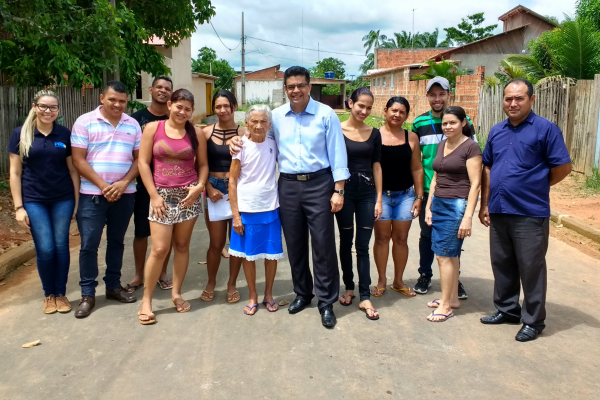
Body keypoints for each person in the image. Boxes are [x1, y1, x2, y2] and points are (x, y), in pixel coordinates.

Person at [231, 66, 348, 328]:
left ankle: (326, 301)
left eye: (300, 85)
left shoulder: (326, 115)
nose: (295, 90)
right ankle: (303, 293)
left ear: (309, 87)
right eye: (290, 86)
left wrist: (338, 189)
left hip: (319, 183)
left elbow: (338, 153)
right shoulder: (277, 116)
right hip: (288, 186)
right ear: (285, 89)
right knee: (294, 243)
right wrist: (236, 140)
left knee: (322, 243)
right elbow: (257, 136)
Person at [479, 79, 571, 341]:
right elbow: (488, 167)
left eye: (519, 98)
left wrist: (538, 184)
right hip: (499, 209)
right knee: (502, 263)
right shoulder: (497, 131)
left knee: (531, 267)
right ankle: (507, 309)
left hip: (530, 211)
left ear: (531, 100)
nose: (513, 103)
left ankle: (533, 320)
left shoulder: (546, 130)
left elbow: (563, 167)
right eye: (508, 98)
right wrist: (485, 204)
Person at [135, 89, 208, 324]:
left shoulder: (196, 133)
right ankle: (147, 300)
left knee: (182, 245)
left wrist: (200, 186)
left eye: (188, 108)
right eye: (179, 106)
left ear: (192, 111)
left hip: (188, 196)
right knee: (159, 248)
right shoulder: (152, 129)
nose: (182, 112)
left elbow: (204, 165)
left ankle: (176, 294)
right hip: (160, 196)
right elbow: (143, 164)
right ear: (169, 105)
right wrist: (154, 196)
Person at [71, 81, 141, 318]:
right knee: (89, 244)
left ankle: (113, 286)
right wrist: (103, 186)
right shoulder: (84, 121)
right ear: (102, 98)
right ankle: (88, 294)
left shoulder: (132, 125)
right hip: (92, 195)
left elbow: (139, 160)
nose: (118, 104)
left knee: (117, 241)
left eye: (122, 101)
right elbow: (78, 160)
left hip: (124, 194)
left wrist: (122, 184)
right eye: (113, 99)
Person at [7, 90, 80, 314]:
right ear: (34, 106)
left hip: (63, 199)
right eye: (43, 106)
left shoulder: (64, 134)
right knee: (46, 249)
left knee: (61, 247)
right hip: (34, 200)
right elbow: (15, 172)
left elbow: (73, 170)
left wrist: (76, 203)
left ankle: (60, 294)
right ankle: (48, 294)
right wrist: (19, 207)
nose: (48, 111)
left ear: (58, 110)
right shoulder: (21, 134)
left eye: (53, 107)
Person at [412, 77, 475, 298]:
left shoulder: (463, 120)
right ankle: (425, 275)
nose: (437, 98)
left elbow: (472, 156)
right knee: (427, 235)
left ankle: (453, 281)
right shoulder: (419, 123)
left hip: (456, 192)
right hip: (430, 189)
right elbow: (416, 161)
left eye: (442, 94)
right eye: (433, 94)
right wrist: (419, 194)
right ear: (427, 96)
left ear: (450, 94)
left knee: (452, 237)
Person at [424, 106, 481, 322]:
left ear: (463, 122)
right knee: (450, 254)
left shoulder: (471, 148)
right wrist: (429, 206)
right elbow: (436, 178)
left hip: (456, 205)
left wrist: (468, 217)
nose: (448, 127)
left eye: (453, 123)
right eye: (445, 123)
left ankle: (445, 306)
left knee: (443, 255)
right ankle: (453, 298)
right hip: (438, 202)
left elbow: (476, 184)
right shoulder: (442, 145)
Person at [228, 105, 282, 316]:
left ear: (269, 124)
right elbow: (232, 182)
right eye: (254, 121)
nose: (259, 126)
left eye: (263, 122)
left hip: (270, 208)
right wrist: (235, 215)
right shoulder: (240, 147)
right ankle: (253, 295)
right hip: (246, 210)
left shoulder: (273, 143)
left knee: (271, 255)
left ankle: (268, 294)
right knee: (247, 255)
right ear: (247, 124)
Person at [335, 87, 382, 321]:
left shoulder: (374, 133)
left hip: (367, 195)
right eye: (360, 105)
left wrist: (379, 198)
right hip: (344, 193)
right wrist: (337, 192)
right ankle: (349, 287)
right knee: (345, 241)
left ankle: (365, 295)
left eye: (369, 107)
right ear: (350, 103)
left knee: (362, 245)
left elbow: (376, 166)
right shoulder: (337, 130)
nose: (364, 110)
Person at [372, 97, 424, 300]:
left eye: (402, 112)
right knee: (382, 238)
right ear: (385, 111)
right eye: (394, 110)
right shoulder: (374, 136)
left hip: (405, 196)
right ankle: (382, 280)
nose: (397, 115)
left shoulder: (411, 138)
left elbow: (417, 168)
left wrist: (419, 196)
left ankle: (398, 281)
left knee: (401, 239)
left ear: (406, 115)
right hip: (381, 197)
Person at [126, 75, 174, 293]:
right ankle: (139, 273)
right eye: (159, 87)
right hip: (145, 185)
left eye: (167, 89)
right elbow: (134, 155)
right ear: (151, 90)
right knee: (141, 232)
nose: (163, 91)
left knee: (166, 233)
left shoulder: (175, 117)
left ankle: (162, 272)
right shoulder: (136, 120)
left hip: (171, 186)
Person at [200, 90, 246, 304]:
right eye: (218, 106)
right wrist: (207, 188)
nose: (223, 110)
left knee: (236, 242)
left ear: (234, 106)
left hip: (238, 189)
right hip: (215, 190)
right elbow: (199, 165)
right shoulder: (205, 133)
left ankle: (232, 284)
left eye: (226, 105)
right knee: (216, 243)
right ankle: (211, 282)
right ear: (213, 108)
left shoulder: (245, 132)